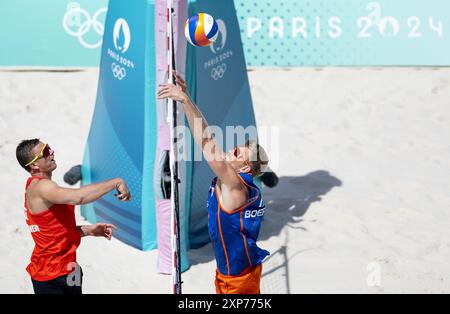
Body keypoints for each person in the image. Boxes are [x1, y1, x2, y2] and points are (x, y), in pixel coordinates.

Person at [158, 73, 270, 294]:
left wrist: (184, 101)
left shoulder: (235, 186)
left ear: (246, 168)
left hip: (238, 281)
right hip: (236, 273)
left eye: (237, 152)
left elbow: (207, 141)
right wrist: (187, 97)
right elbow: (208, 139)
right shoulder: (241, 185)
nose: (230, 151)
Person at [16, 139, 131, 294]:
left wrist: (88, 230)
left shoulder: (40, 187)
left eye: (48, 147)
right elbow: (78, 198)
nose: (51, 152)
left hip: (70, 269)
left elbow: (54, 233)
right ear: (34, 165)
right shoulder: (41, 187)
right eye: (44, 152)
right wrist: (116, 182)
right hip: (50, 276)